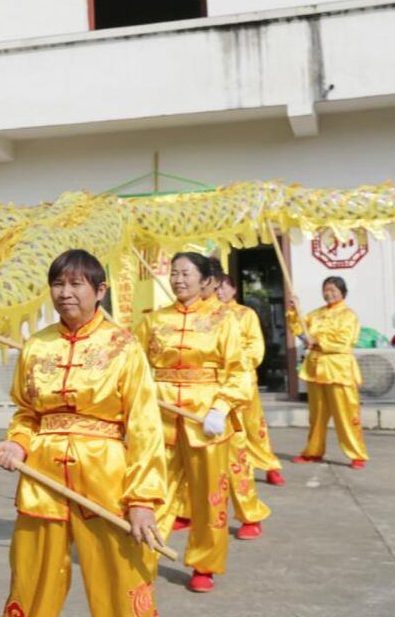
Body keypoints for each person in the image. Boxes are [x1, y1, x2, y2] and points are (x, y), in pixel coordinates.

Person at [0, 249, 166, 617]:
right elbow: (27, 412)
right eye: (57, 283)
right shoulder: (36, 346)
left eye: (75, 284)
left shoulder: (124, 345)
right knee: (30, 577)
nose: (65, 292)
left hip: (106, 482)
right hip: (41, 478)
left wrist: (142, 500)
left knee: (120, 580)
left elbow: (145, 425)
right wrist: (17, 443)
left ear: (100, 290)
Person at [135, 252, 252, 593]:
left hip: (205, 418)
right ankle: (145, 553)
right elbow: (134, 365)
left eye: (186, 273)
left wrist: (222, 407)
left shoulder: (223, 319)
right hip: (159, 417)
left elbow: (239, 370)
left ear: (205, 281)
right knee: (153, 491)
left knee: (208, 497)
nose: (178, 279)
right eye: (174, 273)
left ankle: (205, 563)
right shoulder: (154, 321)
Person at [213, 273, 275, 541]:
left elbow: (254, 349)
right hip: (201, 395)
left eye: (222, 287)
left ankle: (251, 509)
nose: (218, 292)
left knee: (244, 440)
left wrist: (234, 365)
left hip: (238, 386)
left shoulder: (244, 314)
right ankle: (184, 511)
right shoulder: (195, 316)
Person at [289, 276, 369, 468]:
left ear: (342, 292)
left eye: (333, 289)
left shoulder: (348, 315)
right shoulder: (316, 314)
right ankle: (313, 451)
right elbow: (299, 329)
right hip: (316, 370)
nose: (329, 293)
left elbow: (345, 342)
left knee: (346, 414)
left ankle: (357, 453)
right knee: (316, 416)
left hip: (339, 370)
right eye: (326, 289)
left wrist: (318, 342)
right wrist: (294, 312)